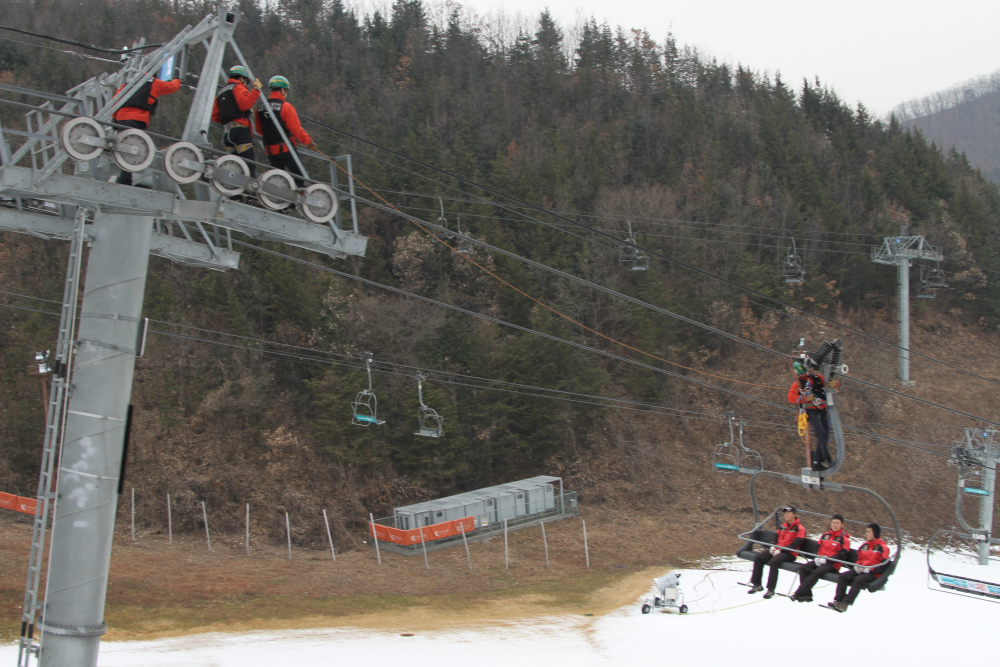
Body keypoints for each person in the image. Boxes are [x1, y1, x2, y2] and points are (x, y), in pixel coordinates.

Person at [111, 72, 181, 185]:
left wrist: (115, 117)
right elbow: (171, 87)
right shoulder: (153, 83)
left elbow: (115, 101)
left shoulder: (128, 83)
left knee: (123, 147)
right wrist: (178, 80)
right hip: (137, 118)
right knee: (132, 148)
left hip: (121, 118)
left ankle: (124, 178)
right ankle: (125, 181)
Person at [254, 75, 317, 188]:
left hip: (270, 151)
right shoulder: (286, 107)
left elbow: (259, 130)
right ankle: (301, 194)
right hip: (286, 149)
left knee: (278, 180)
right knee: (301, 179)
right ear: (282, 90)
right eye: (286, 91)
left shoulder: (260, 108)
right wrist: (308, 142)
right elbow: (295, 129)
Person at [211, 65, 262, 176]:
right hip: (240, 133)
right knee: (249, 168)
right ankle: (250, 187)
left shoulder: (220, 92)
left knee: (235, 169)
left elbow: (214, 116)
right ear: (242, 78)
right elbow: (245, 104)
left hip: (227, 134)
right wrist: (256, 90)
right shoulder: (238, 87)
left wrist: (228, 118)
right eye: (245, 81)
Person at [828, 523, 891, 612]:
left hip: (873, 574)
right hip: (862, 569)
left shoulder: (883, 548)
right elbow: (859, 558)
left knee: (858, 580)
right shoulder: (865, 546)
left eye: (868, 532)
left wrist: (871, 569)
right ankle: (838, 600)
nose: (866, 534)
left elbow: (883, 565)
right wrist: (857, 566)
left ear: (875, 533)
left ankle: (845, 603)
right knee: (843, 576)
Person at [748, 506, 806, 599]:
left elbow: (795, 544)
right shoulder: (783, 526)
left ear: (794, 515)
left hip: (789, 553)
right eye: (785, 513)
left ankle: (771, 589)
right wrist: (772, 546)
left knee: (774, 562)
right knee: (758, 558)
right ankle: (757, 584)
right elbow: (775, 539)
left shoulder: (800, 529)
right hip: (777, 549)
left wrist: (781, 550)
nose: (786, 515)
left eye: (789, 513)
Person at [790, 514, 851, 602]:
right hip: (820, 560)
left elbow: (842, 555)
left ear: (842, 525)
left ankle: (798, 593)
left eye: (837, 523)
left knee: (816, 572)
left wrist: (827, 559)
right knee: (803, 568)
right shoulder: (825, 535)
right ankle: (807, 594)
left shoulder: (844, 539)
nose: (835, 525)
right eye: (833, 523)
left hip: (832, 564)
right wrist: (817, 557)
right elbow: (817, 548)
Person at [788, 359, 832, 469]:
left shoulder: (817, 378)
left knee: (825, 435)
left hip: (822, 409)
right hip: (810, 411)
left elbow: (829, 382)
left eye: (804, 372)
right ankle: (827, 457)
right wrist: (804, 398)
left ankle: (817, 462)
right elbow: (791, 397)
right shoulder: (798, 384)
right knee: (820, 433)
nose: (803, 375)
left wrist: (834, 383)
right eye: (801, 374)